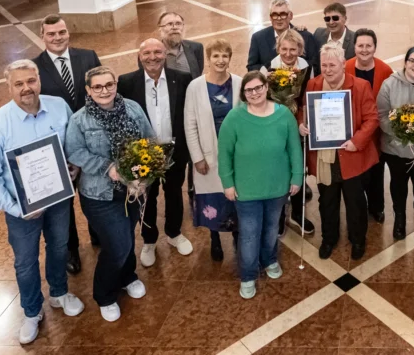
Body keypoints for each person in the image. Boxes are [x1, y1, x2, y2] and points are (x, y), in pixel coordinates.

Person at [0, 60, 84, 344]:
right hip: (21, 210)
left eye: (31, 81)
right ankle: (32, 311)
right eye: (19, 84)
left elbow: (74, 142)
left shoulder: (59, 106)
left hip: (59, 200)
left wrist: (74, 165)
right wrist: (15, 209)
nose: (27, 88)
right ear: (9, 87)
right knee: (25, 262)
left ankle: (59, 293)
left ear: (39, 80)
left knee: (59, 247)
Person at [65, 66, 154, 323]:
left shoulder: (133, 108)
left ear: (116, 84)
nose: (104, 91)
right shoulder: (79, 120)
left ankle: (128, 277)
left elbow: (148, 142)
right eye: (98, 87)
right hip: (99, 195)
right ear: (88, 90)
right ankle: (104, 295)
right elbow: (75, 152)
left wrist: (143, 177)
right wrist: (108, 168)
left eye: (109, 85)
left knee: (127, 236)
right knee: (117, 244)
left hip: (131, 192)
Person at [218, 72, 303, 299]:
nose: (254, 93)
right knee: (248, 233)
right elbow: (224, 155)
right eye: (249, 90)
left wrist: (296, 177)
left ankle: (270, 260)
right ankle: (247, 275)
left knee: (271, 229)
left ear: (267, 88)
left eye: (258, 88)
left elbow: (294, 148)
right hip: (246, 190)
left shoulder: (284, 115)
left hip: (277, 187)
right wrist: (227, 183)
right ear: (244, 94)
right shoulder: (234, 118)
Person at [31, 13, 101, 273]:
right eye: (51, 34)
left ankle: (98, 233)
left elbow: (101, 90)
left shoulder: (88, 56)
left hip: (91, 140)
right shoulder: (34, 67)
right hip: (57, 147)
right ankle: (71, 248)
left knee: (94, 189)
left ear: (68, 33)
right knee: (64, 201)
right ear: (43, 37)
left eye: (61, 32)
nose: (57, 38)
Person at [117, 39, 195, 267]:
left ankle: (174, 233)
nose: (153, 57)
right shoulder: (127, 82)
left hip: (174, 151)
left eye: (158, 52)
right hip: (142, 155)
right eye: (147, 53)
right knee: (146, 198)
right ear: (140, 56)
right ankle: (149, 240)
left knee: (173, 194)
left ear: (165, 54)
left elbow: (187, 115)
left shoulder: (181, 78)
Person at [300, 42, 380, 260]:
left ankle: (358, 240)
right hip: (325, 158)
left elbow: (372, 119)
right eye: (324, 65)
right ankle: (329, 239)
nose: (327, 70)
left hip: (351, 155)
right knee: (327, 202)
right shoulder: (313, 85)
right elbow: (304, 111)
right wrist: (302, 124)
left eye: (332, 65)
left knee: (355, 202)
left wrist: (357, 141)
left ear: (343, 64)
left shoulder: (360, 86)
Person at [184, 38, 243, 261]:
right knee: (212, 198)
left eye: (224, 55)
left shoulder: (239, 82)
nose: (220, 60)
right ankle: (215, 238)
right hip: (208, 154)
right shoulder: (196, 86)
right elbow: (189, 124)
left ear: (230, 58)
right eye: (215, 56)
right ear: (208, 59)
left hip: (235, 154)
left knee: (236, 196)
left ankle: (237, 234)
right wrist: (197, 157)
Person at [377, 46, 414, 241]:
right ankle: (399, 219)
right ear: (405, 62)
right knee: (398, 186)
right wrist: (402, 132)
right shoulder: (389, 85)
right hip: (396, 148)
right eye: (412, 60)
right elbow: (382, 115)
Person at [263, 29, 316, 236]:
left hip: (298, 126)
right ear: (278, 49)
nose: (288, 53)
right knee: (276, 171)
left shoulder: (307, 68)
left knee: (298, 169)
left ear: (300, 50)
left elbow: (307, 100)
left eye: (293, 49)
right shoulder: (269, 68)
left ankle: (297, 213)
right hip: (274, 126)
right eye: (284, 49)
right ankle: (277, 215)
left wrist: (302, 122)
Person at [346, 28, 393, 224]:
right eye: (360, 46)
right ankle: (357, 208)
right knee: (356, 174)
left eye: (368, 46)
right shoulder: (345, 67)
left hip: (376, 133)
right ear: (354, 47)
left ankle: (376, 207)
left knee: (376, 171)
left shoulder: (385, 70)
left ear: (374, 47)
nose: (364, 50)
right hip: (352, 132)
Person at [247, 0, 320, 74]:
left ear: (290, 15)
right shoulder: (258, 38)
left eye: (283, 14)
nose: (279, 18)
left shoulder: (305, 36)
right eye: (274, 15)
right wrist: (270, 73)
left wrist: (295, 73)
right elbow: (251, 67)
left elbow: (315, 65)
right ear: (270, 17)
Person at [158, 11, 205, 78]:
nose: (174, 27)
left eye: (178, 23)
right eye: (169, 24)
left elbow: (197, 74)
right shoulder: (152, 53)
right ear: (160, 29)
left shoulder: (196, 48)